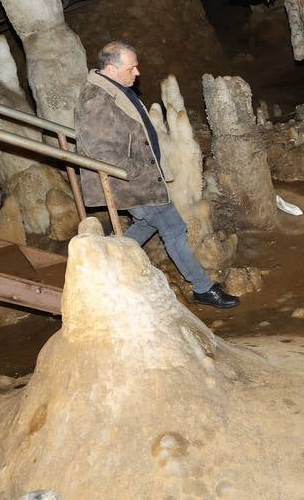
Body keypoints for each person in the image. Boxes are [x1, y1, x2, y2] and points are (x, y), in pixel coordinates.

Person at [75, 41, 239, 308]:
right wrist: (141, 169)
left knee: (148, 224)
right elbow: (99, 151)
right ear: (112, 68)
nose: (137, 73)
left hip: (141, 178)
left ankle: (107, 263)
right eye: (132, 67)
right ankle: (202, 287)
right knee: (174, 229)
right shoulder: (97, 101)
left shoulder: (115, 89)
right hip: (131, 182)